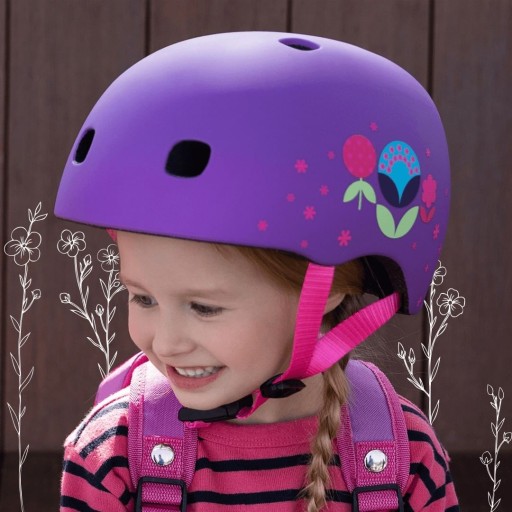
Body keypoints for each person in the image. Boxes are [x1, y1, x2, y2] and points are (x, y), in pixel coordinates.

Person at [55, 32, 459, 511]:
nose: (165, 343)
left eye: (203, 307)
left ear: (327, 289)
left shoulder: (404, 458)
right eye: (143, 298)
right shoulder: (112, 455)